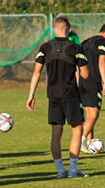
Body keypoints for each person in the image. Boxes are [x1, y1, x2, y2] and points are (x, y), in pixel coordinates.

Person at [27, 16, 90, 178]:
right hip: (71, 95)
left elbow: (36, 73)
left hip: (53, 96)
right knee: (77, 130)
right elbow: (85, 74)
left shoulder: (45, 47)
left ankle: (60, 170)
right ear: (69, 30)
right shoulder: (76, 47)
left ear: (54, 30)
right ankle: (73, 170)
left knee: (56, 132)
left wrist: (31, 95)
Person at [79, 23, 105, 152]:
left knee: (89, 114)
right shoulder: (103, 42)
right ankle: (80, 141)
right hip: (93, 81)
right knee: (94, 115)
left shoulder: (85, 42)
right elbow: (101, 62)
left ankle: (89, 144)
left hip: (81, 81)